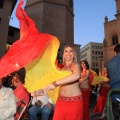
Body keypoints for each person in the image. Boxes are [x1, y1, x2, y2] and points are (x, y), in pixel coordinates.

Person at [45, 45, 83, 120]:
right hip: (60, 101)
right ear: (63, 54)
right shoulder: (61, 68)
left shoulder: (76, 65)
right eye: (66, 51)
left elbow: (76, 75)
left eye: (71, 51)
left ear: (74, 54)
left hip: (74, 102)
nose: (68, 53)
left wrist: (55, 83)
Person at [107, 44, 120, 120]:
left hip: (114, 94)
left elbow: (109, 76)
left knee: (116, 116)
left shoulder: (109, 63)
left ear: (115, 52)